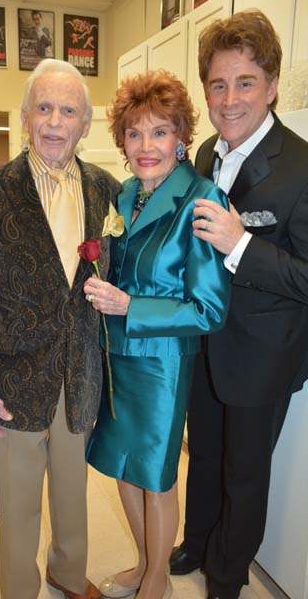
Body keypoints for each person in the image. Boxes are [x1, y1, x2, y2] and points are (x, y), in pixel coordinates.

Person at [0, 58, 121, 599]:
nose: (54, 122)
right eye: (43, 108)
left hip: (81, 373)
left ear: (84, 123)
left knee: (74, 496)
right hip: (12, 379)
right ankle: (19, 590)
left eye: (67, 110)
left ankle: (68, 576)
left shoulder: (107, 190)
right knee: (19, 505)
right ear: (26, 117)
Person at [169, 10, 308, 599]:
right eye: (218, 84)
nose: (229, 99)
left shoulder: (303, 166)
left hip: (262, 357)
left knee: (244, 474)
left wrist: (241, 245)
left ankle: (226, 576)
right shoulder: (204, 152)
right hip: (204, 342)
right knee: (202, 454)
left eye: (245, 82)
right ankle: (197, 542)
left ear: (272, 85)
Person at [83, 70, 230, 599]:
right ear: (122, 140)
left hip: (163, 362)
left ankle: (158, 580)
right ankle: (145, 563)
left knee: (156, 474)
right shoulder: (125, 195)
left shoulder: (201, 198)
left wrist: (129, 304)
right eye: (136, 133)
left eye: (160, 132)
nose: (147, 146)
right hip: (115, 355)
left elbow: (208, 308)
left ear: (181, 138)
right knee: (123, 464)